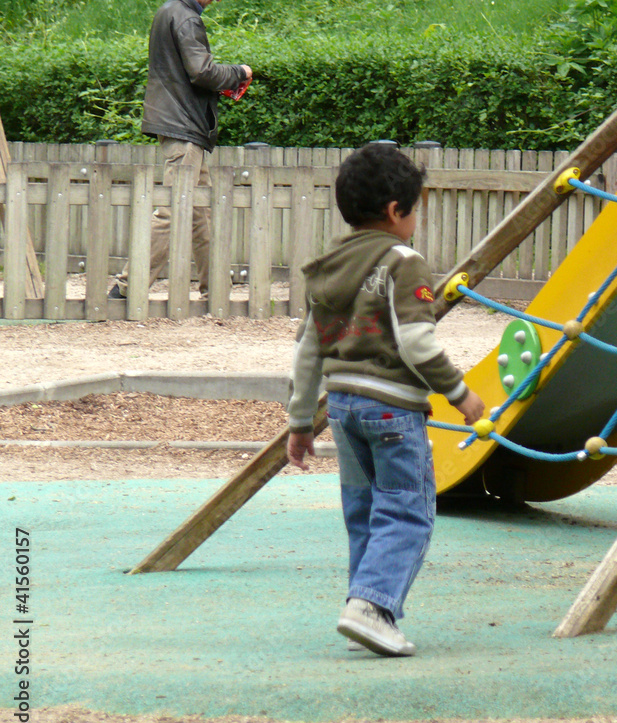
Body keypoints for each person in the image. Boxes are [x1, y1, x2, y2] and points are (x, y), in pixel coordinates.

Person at [285, 143, 485, 657]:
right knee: (407, 509)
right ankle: (373, 608)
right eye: (414, 209)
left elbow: (309, 350)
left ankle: (363, 607)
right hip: (393, 408)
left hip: (345, 407)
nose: (415, 220)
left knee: (364, 509)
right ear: (397, 211)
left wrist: (301, 421)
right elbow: (418, 343)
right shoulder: (403, 262)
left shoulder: (328, 266)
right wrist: (459, 393)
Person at [110, 0, 251, 300]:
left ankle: (216, 290)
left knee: (201, 212)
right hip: (184, 125)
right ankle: (127, 287)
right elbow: (202, 72)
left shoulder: (169, 11)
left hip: (181, 124)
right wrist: (239, 72)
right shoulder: (186, 17)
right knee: (173, 210)